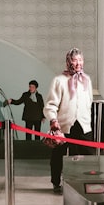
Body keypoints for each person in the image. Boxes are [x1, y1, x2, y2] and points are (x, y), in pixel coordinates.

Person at [44, 47, 94, 194]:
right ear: (68, 61)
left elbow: (89, 101)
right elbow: (50, 104)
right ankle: (56, 183)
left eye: (80, 59)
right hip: (64, 126)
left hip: (83, 125)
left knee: (87, 156)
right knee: (58, 156)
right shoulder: (58, 80)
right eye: (75, 60)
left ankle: (82, 183)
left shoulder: (87, 80)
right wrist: (53, 120)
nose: (78, 63)